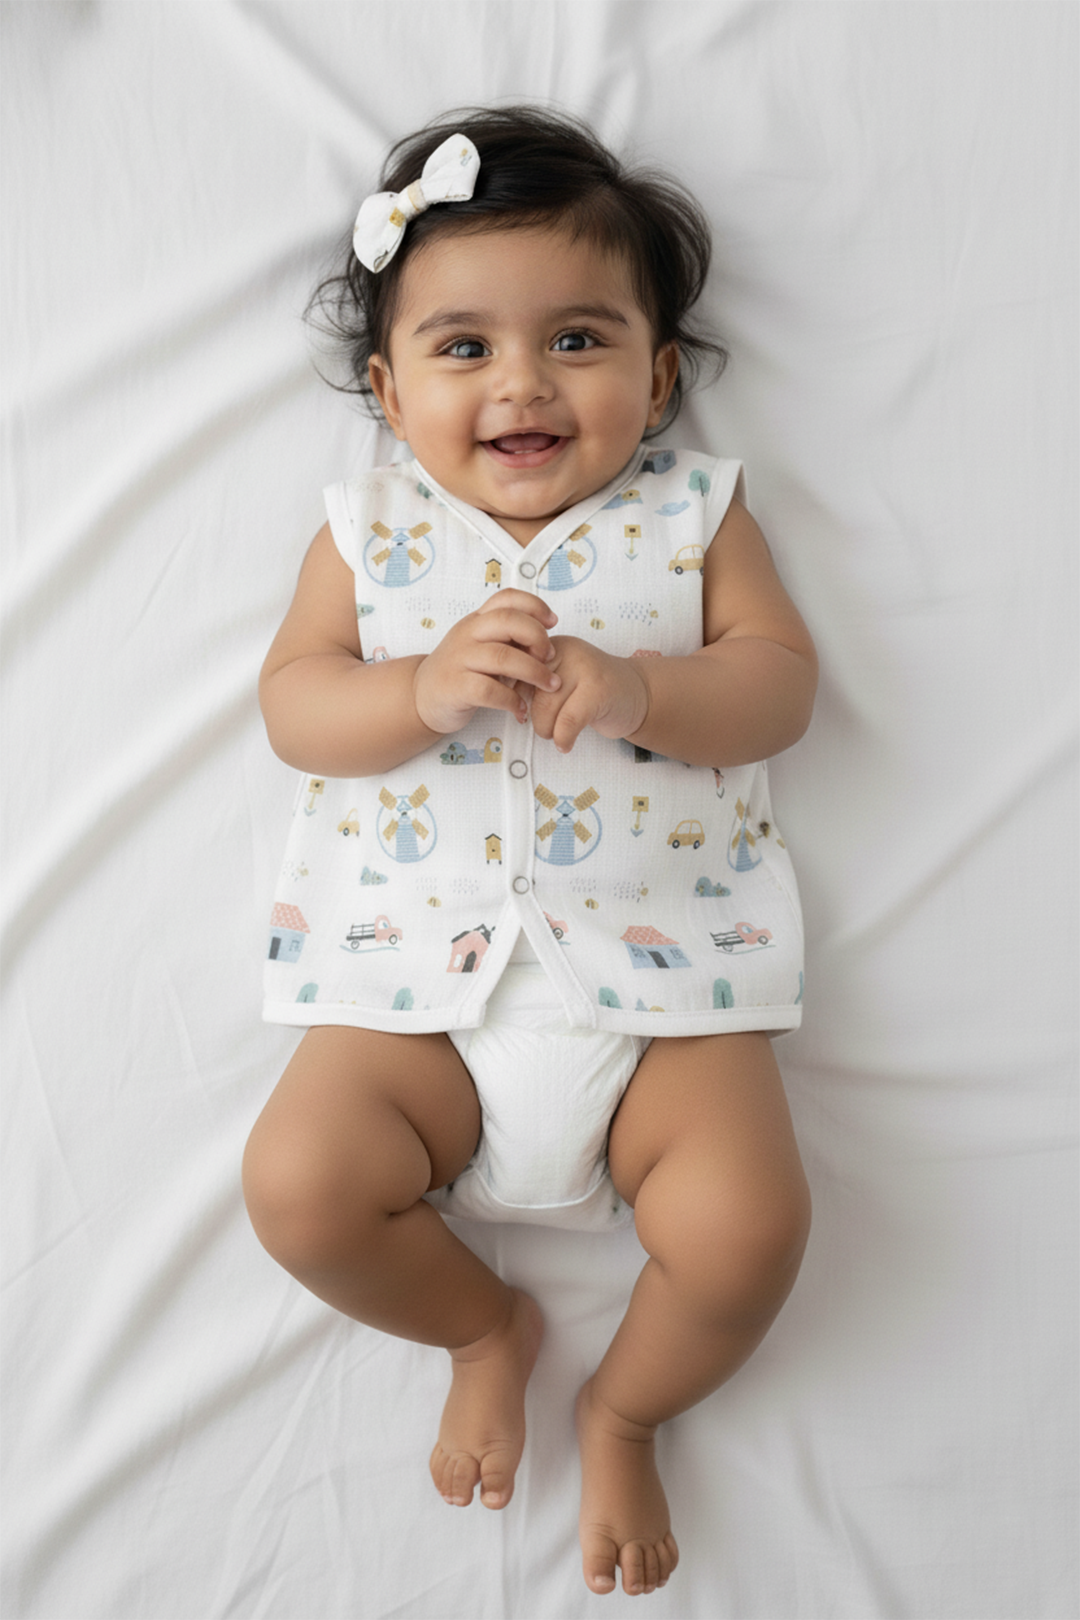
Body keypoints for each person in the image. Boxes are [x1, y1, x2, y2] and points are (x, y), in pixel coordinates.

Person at [243, 105, 816, 1599]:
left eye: (576, 339)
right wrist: (417, 693)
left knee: (749, 1231)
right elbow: (296, 708)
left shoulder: (695, 516)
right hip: (410, 994)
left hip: (666, 989)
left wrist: (646, 692)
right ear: (387, 391)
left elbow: (779, 686)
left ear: (659, 375)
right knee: (299, 1188)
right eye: (463, 347)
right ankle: (482, 1329)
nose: (522, 383)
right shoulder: (368, 536)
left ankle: (624, 1410)